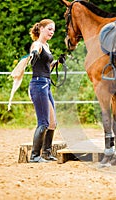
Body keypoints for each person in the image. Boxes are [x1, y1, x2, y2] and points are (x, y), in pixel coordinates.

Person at [29, 19, 65, 163]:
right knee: (43, 121)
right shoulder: (37, 44)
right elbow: (34, 53)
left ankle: (46, 153)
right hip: (38, 84)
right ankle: (34, 156)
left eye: (53, 30)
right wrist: (34, 54)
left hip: (46, 83)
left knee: (52, 122)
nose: (52, 32)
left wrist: (57, 62)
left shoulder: (47, 46)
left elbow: (48, 67)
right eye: (49, 29)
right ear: (42, 29)